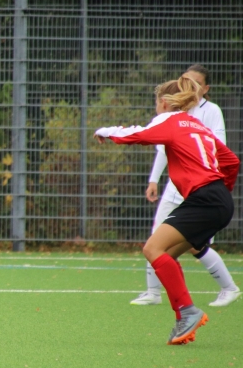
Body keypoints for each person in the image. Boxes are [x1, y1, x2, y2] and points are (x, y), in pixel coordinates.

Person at [95, 76, 239, 345]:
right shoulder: (198, 126)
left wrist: (105, 131)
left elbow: (138, 135)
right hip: (218, 200)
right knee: (165, 256)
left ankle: (188, 312)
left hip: (205, 200)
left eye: (156, 103)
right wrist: (221, 193)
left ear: (163, 102)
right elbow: (231, 161)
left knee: (152, 249)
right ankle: (184, 317)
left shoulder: (169, 120)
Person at [133, 64, 240, 308]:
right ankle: (153, 292)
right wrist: (153, 179)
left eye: (196, 83)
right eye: (185, 80)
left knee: (194, 244)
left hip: (199, 189)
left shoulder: (211, 111)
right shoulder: (175, 111)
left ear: (205, 88)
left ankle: (228, 288)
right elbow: (164, 148)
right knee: (157, 238)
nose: (189, 85)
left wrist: (217, 186)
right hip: (175, 187)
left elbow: (218, 148)